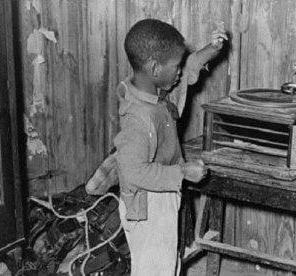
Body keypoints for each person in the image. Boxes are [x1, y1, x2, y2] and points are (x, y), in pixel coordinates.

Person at [85, 18, 227, 276]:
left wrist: (212, 49)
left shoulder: (157, 92)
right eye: (176, 66)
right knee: (154, 269)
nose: (180, 71)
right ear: (154, 68)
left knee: (168, 263)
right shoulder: (138, 119)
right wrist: (182, 173)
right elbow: (134, 172)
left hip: (163, 196)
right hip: (147, 207)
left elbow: (190, 67)